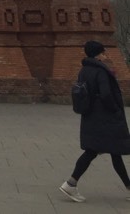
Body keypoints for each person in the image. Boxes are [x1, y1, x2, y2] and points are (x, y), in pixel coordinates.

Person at [59, 40, 130, 204]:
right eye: (103, 52)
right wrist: (115, 110)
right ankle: (70, 183)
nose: (105, 55)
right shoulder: (101, 71)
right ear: (97, 54)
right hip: (106, 118)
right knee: (96, 151)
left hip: (91, 116)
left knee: (112, 151)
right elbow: (105, 94)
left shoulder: (84, 70)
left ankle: (128, 186)